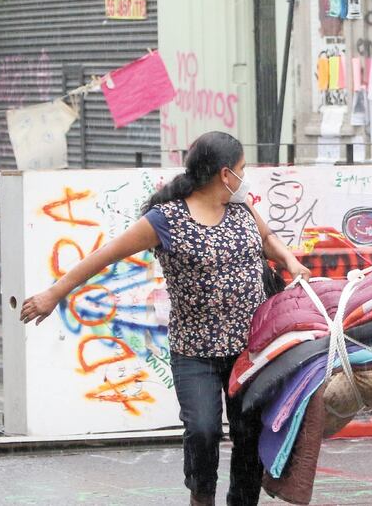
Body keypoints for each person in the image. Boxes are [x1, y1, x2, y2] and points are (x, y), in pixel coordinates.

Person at [20, 131, 311, 506]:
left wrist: (290, 261)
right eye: (242, 168)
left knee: (248, 433)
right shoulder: (166, 219)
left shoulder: (241, 209)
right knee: (203, 430)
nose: (245, 176)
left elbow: (267, 238)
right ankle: (201, 496)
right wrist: (53, 294)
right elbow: (104, 256)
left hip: (249, 349)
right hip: (194, 352)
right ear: (225, 174)